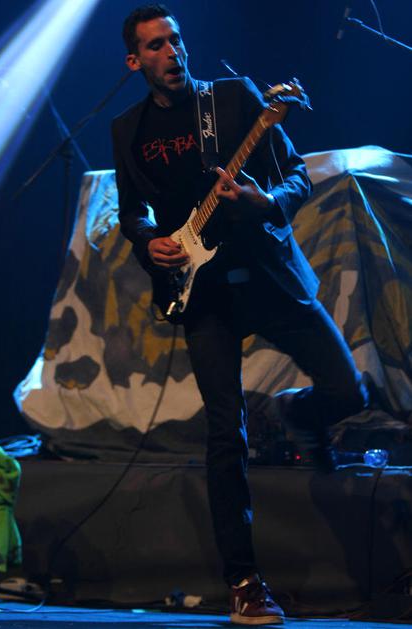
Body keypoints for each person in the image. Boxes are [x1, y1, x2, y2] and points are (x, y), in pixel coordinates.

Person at [111, 4, 368, 625]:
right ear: (135, 61)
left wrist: (264, 202)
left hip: (269, 276)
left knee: (348, 390)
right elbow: (132, 211)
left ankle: (300, 412)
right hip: (204, 293)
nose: (172, 52)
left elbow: (297, 175)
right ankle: (245, 583)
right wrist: (149, 242)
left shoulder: (231, 99)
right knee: (226, 435)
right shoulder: (128, 129)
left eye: (175, 40)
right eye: (155, 46)